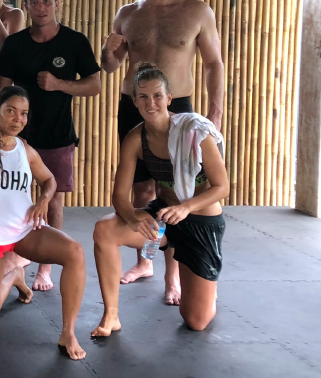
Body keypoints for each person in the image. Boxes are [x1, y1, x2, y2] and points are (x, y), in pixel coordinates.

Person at [99, 0, 225, 302]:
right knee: (141, 191)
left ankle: (173, 277)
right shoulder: (127, 13)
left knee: (177, 192)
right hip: (134, 104)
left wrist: (215, 113)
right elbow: (111, 65)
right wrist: (107, 51)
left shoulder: (196, 10)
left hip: (177, 106)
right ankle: (145, 262)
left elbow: (213, 63)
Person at [0, 86, 88, 360]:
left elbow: (49, 180)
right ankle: (13, 275)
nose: (18, 119)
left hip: (23, 231)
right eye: (10, 111)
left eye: (23, 113)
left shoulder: (25, 149)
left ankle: (68, 332)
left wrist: (44, 199)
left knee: (75, 252)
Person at [91, 63, 229, 336]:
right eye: (143, 96)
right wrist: (132, 219)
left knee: (196, 321)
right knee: (104, 229)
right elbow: (119, 196)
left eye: (157, 96)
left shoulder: (195, 132)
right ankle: (111, 315)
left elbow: (222, 187)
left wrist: (186, 207)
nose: (150, 103)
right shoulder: (135, 138)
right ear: (134, 101)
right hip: (164, 220)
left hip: (201, 222)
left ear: (169, 98)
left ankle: (207, 288)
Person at [0, 0, 101, 292]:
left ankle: (46, 267)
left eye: (46, 1)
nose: (40, 7)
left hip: (57, 134)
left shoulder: (74, 41)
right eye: (34, 2)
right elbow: (1, 90)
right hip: (17, 135)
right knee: (10, 195)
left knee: (52, 199)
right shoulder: (15, 43)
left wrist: (59, 85)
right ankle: (13, 255)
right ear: (26, 6)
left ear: (57, 4)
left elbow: (94, 85)